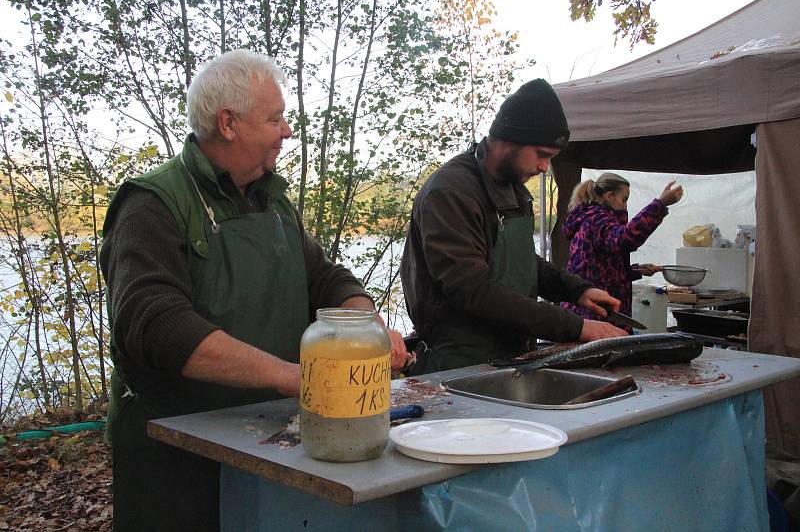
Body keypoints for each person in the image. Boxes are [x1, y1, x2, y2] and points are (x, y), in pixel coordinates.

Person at [100, 50, 411, 532]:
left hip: (265, 438)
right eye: (275, 118)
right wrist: (293, 376)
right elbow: (156, 324)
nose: (286, 130)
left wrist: (365, 324)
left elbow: (326, 278)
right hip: (176, 447)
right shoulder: (153, 204)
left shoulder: (273, 201)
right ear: (228, 123)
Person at [400, 79, 628, 375]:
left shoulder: (514, 187)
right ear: (509, 140)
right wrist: (576, 326)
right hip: (458, 363)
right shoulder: (450, 193)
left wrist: (576, 289)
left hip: (512, 354)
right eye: (542, 155)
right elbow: (472, 290)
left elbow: (519, 262)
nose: (545, 167)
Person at [561, 172, 684, 327]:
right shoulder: (597, 219)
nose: (625, 205)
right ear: (609, 196)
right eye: (624, 199)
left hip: (592, 310)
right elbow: (625, 239)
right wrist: (659, 205)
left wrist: (636, 271)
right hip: (595, 314)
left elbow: (599, 270)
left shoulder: (589, 218)